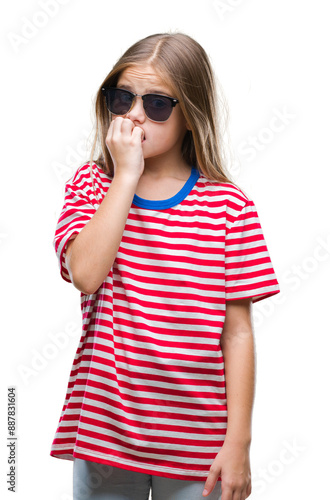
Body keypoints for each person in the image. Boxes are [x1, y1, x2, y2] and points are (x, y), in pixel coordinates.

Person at [50, 32, 280, 500]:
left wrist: (239, 442)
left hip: (200, 444)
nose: (134, 115)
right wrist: (126, 174)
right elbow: (87, 274)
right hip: (106, 434)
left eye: (156, 105)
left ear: (190, 116)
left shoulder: (229, 208)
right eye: (122, 99)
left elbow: (237, 333)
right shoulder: (92, 185)